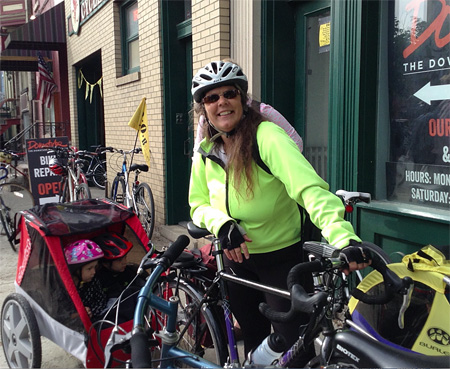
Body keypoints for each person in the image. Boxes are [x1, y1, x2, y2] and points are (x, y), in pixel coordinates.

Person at [189, 60, 372, 358]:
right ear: (204, 109)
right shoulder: (207, 151)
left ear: (243, 100)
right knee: (253, 338)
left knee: (294, 346)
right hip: (236, 258)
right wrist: (222, 225)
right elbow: (197, 203)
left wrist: (343, 239)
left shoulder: (268, 138)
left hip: (280, 261)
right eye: (212, 97)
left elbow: (310, 190)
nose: (222, 102)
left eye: (230, 93)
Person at [94, 232, 146, 323]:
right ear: (105, 263)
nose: (124, 262)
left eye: (125, 258)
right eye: (119, 260)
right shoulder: (97, 279)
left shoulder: (130, 271)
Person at [65, 239, 107, 322]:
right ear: (76, 270)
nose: (94, 272)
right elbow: (58, 314)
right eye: (89, 269)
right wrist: (76, 315)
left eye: (95, 267)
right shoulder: (63, 288)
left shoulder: (92, 281)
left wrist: (91, 312)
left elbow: (101, 300)